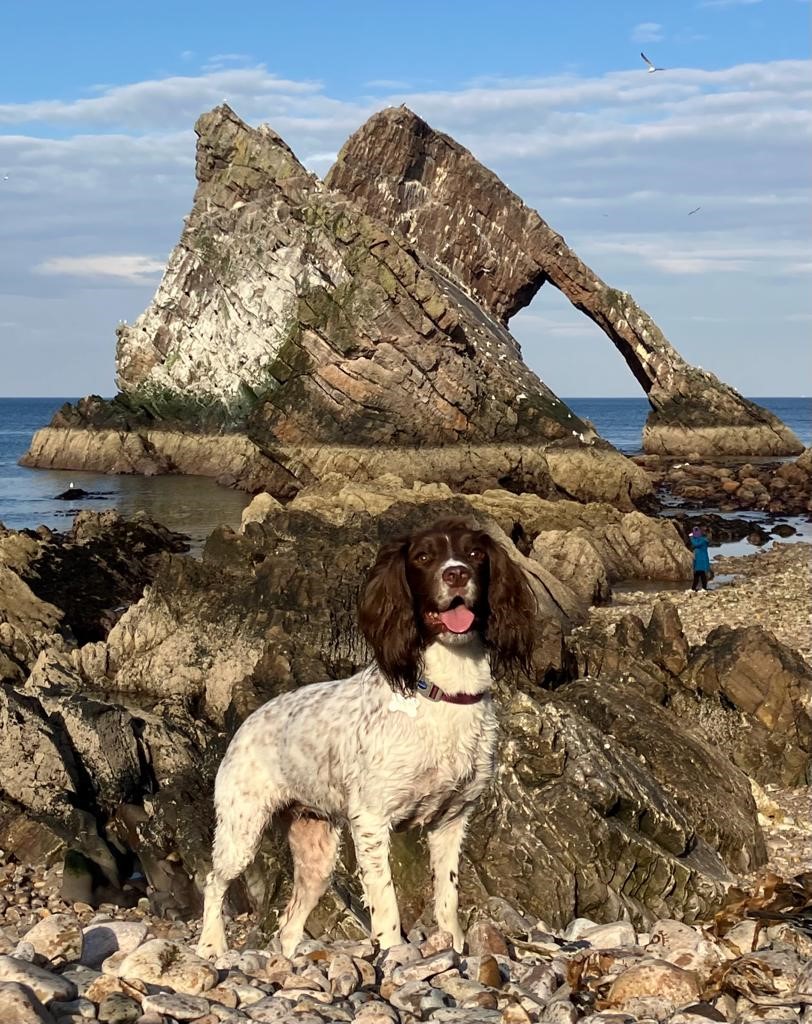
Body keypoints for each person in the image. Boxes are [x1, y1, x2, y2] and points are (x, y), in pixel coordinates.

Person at [690, 526, 710, 591]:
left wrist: (691, 538)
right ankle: (695, 588)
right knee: (698, 574)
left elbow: (696, 544)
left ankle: (702, 588)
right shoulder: (701, 539)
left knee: (700, 573)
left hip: (701, 559)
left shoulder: (702, 540)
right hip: (699, 559)